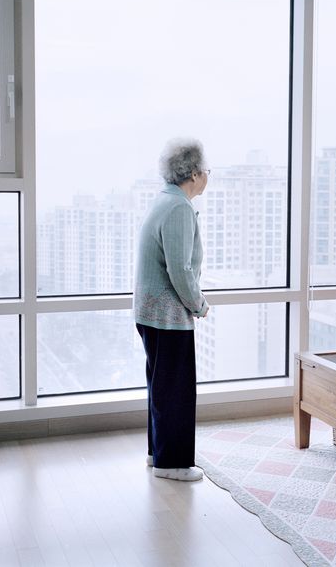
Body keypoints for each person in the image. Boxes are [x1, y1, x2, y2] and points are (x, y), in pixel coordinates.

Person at [133, 138, 210, 482]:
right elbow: (179, 269)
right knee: (176, 390)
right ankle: (173, 464)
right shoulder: (178, 208)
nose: (208, 175)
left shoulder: (165, 201)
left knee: (162, 387)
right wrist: (199, 304)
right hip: (167, 315)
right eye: (207, 170)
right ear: (194, 173)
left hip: (152, 313)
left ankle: (158, 454)